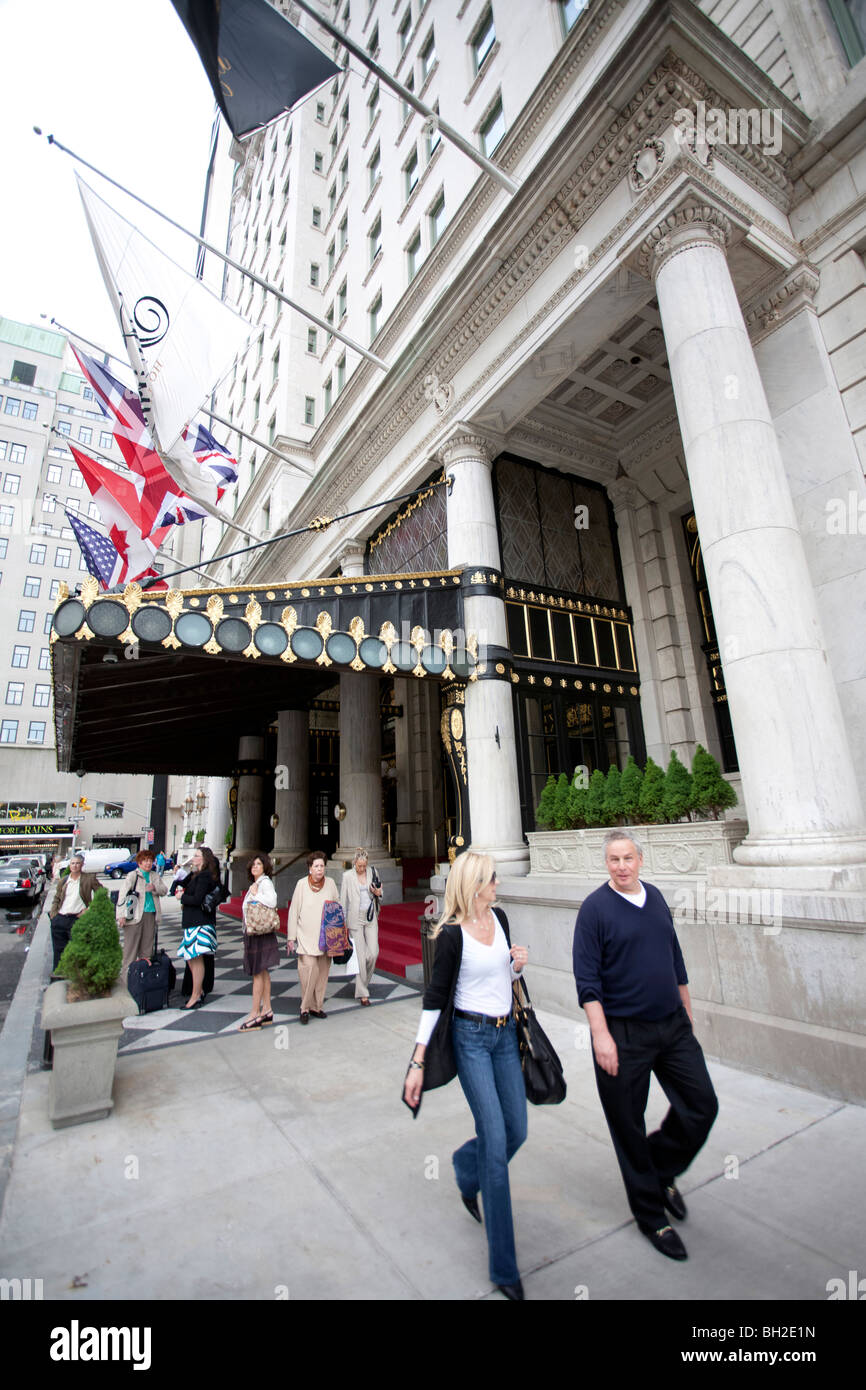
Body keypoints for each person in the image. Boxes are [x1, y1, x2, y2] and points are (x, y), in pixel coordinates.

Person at [572, 830, 719, 1261]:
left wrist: (686, 1008)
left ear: (641, 859)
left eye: (628, 858)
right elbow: (587, 980)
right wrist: (601, 1035)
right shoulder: (594, 910)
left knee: (701, 1105)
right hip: (622, 1034)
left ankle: (662, 1169)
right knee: (628, 1128)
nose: (621, 866)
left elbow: (675, 957)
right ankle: (651, 1216)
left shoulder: (654, 896)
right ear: (606, 864)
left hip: (672, 1025)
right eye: (614, 859)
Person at [403, 852, 530, 1301]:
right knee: (495, 1143)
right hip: (470, 1039)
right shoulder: (453, 936)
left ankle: (463, 1167)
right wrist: (418, 1060)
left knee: (517, 1129)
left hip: (504, 1034)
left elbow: (506, 979)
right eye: (492, 878)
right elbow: (435, 998)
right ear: (475, 885)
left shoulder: (501, 918)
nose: (498, 882)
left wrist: (516, 964)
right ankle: (505, 1268)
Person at [286, 850, 339, 1024]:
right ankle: (304, 1007)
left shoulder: (330, 884)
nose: (319, 869)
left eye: (322, 866)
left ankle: (317, 1006)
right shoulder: (301, 884)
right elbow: (294, 911)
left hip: (325, 938)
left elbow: (336, 908)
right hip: (306, 937)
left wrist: (337, 937)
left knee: (323, 973)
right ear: (310, 868)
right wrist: (291, 937)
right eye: (316, 866)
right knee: (310, 970)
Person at [174, 845, 221, 1010]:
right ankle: (198, 990)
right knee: (190, 957)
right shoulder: (197, 875)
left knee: (196, 957)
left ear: (204, 859)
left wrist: (182, 897)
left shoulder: (204, 876)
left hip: (199, 922)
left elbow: (197, 899)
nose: (193, 858)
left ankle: (195, 996)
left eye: (196, 855)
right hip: (192, 922)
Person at [239, 852, 280, 1031]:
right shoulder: (256, 884)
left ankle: (255, 1013)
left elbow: (272, 901)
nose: (255, 867)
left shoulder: (265, 883)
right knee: (262, 972)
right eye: (253, 864)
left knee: (257, 972)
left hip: (260, 932)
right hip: (255, 931)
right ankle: (267, 1009)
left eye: (258, 864)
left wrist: (255, 895)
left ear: (264, 867)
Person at [340, 847, 383, 1006]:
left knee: (373, 953)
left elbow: (379, 892)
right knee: (361, 956)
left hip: (371, 916)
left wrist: (378, 892)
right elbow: (343, 900)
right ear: (354, 863)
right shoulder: (348, 877)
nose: (362, 868)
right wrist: (343, 924)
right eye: (359, 866)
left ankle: (363, 985)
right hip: (355, 919)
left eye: (364, 866)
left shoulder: (373, 872)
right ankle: (363, 993)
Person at [116, 848, 168, 981]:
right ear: (139, 862)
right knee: (130, 950)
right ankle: (126, 981)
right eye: (144, 861)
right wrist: (121, 915)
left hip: (150, 915)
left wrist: (154, 888)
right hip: (134, 916)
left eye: (150, 860)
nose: (147, 863)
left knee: (147, 951)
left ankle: (143, 980)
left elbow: (164, 890)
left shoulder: (154, 876)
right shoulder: (133, 875)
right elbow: (122, 895)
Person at [47, 852, 99, 971]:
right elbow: (57, 898)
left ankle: (77, 980)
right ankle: (58, 977)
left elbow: (101, 894)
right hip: (60, 919)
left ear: (82, 865)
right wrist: (53, 915)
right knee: (59, 952)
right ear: (69, 865)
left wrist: (89, 909)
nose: (75, 866)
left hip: (77, 919)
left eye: (77, 863)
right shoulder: (64, 880)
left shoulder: (89, 879)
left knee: (79, 951)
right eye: (72, 863)